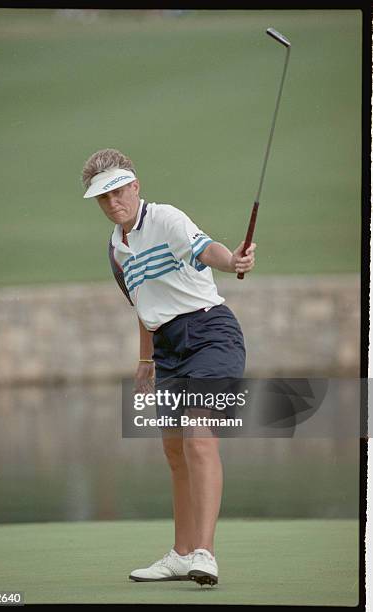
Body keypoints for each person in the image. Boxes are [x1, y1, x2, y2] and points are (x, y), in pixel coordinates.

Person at [81, 148, 256, 587]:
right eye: (103, 198)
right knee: (175, 451)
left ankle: (205, 554)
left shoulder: (165, 219)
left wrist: (232, 261)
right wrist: (145, 359)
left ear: (135, 186)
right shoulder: (116, 249)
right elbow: (144, 305)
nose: (113, 203)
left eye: (118, 191)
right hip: (168, 348)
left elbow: (205, 249)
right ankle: (180, 554)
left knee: (199, 438)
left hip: (211, 334)